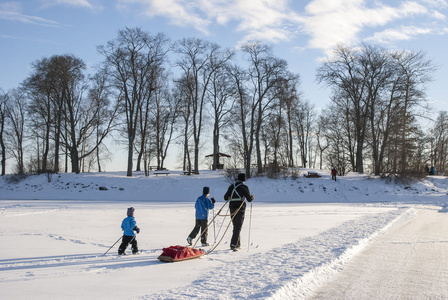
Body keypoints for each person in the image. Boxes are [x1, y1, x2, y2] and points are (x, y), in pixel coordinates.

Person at [224, 173, 254, 251]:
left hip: (232, 208)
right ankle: (233, 244)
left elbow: (225, 197)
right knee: (238, 226)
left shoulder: (231, 186)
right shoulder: (244, 187)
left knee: (235, 226)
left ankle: (237, 244)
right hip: (240, 208)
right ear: (244, 179)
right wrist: (252, 197)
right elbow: (249, 199)